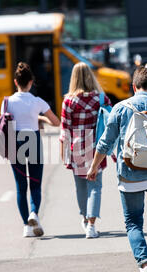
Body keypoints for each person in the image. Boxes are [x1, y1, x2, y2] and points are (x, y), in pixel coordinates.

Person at [87, 66, 147, 272]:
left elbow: (105, 143)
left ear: (133, 87)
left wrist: (93, 167)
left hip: (129, 174)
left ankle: (145, 265)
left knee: (133, 221)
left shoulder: (120, 109)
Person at [2, 62, 60, 238]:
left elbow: (4, 123)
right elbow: (56, 122)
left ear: (15, 82)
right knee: (35, 184)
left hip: (14, 142)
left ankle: (26, 226)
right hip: (32, 141)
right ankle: (34, 212)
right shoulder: (37, 102)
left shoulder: (7, 102)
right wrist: (39, 117)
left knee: (21, 187)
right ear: (31, 82)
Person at [59, 62, 112, 238]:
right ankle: (91, 224)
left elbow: (65, 130)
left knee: (80, 186)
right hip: (97, 146)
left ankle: (84, 218)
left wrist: (63, 153)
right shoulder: (102, 99)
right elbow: (110, 124)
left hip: (77, 145)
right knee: (95, 186)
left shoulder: (68, 101)